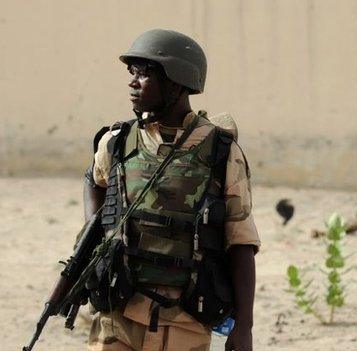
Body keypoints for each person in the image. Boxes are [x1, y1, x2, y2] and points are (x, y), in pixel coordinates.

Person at [83, 29, 260, 351]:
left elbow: (241, 241)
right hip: (118, 311)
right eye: (132, 73)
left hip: (185, 318)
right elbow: (94, 181)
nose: (133, 82)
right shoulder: (118, 142)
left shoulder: (219, 151)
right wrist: (98, 236)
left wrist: (244, 327)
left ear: (176, 82)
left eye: (145, 74)